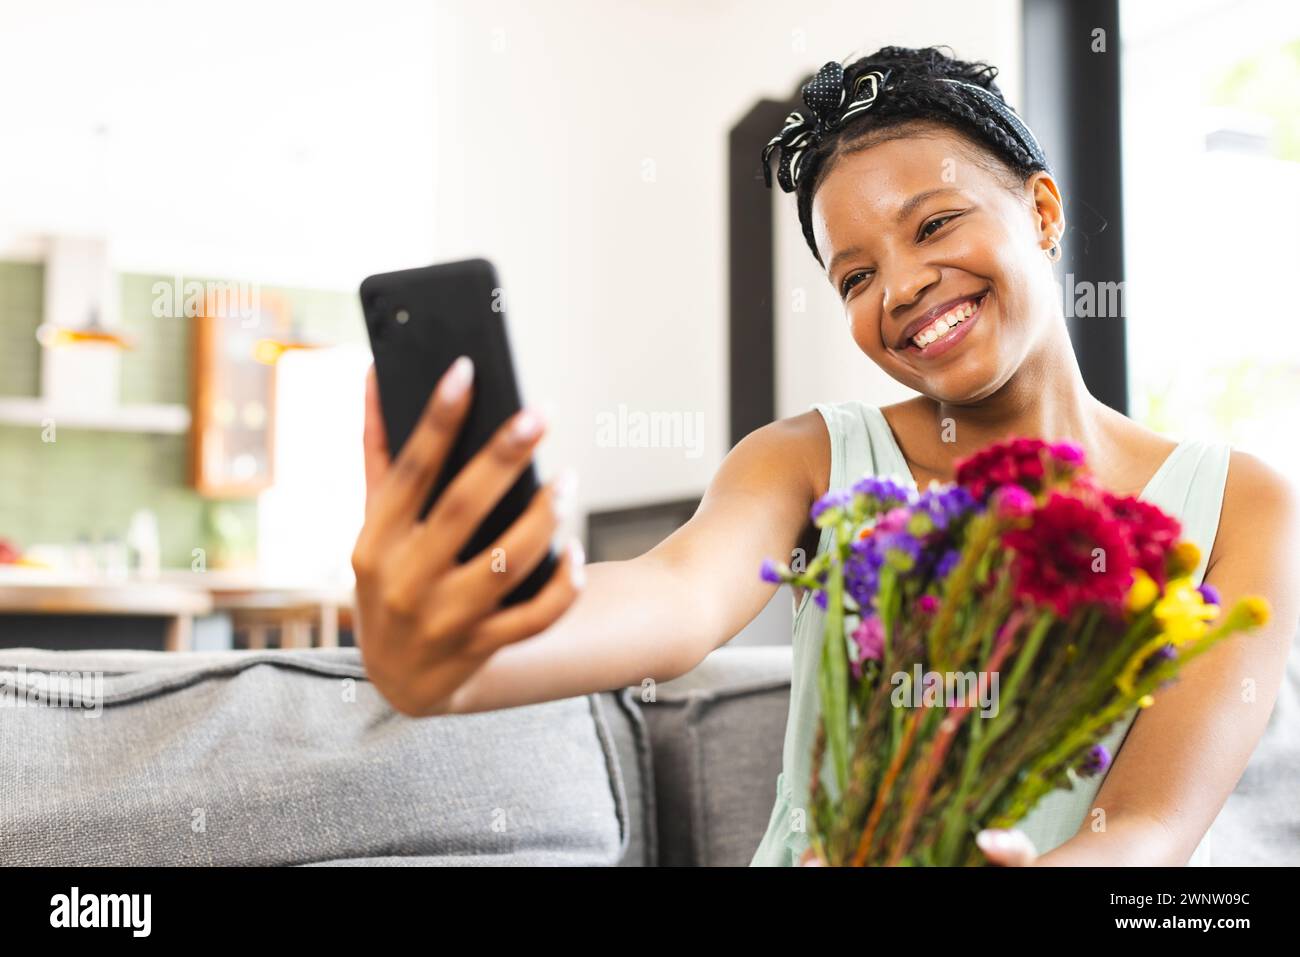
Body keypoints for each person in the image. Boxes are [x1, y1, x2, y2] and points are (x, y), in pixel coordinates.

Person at [348, 46, 1299, 866]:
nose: (905, 288)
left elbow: (1147, 823)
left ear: (1042, 211)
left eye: (933, 225)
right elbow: (672, 595)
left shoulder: (1241, 505)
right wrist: (462, 652)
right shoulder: (811, 460)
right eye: (856, 276)